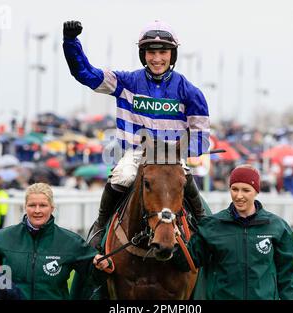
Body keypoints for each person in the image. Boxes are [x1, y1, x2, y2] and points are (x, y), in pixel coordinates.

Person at [62, 19, 210, 249]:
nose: (157, 58)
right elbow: (85, 74)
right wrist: (71, 42)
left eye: (163, 52)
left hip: (171, 156)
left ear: (172, 55)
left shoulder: (190, 92)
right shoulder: (127, 82)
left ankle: (204, 230)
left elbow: (201, 139)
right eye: (151, 52)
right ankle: (100, 228)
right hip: (137, 153)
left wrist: (180, 151)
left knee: (184, 178)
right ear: (143, 54)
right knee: (121, 177)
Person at [172, 165, 293, 300]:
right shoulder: (211, 226)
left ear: (256, 191)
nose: (239, 196)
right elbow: (185, 263)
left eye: (246, 190)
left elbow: (287, 277)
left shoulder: (278, 228)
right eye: (234, 189)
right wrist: (174, 241)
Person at [0, 183, 99, 300]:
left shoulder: (71, 241)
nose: (37, 210)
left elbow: (96, 271)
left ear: (52, 208)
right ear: (25, 207)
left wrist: (102, 264)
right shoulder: (3, 237)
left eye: (43, 205)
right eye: (32, 205)